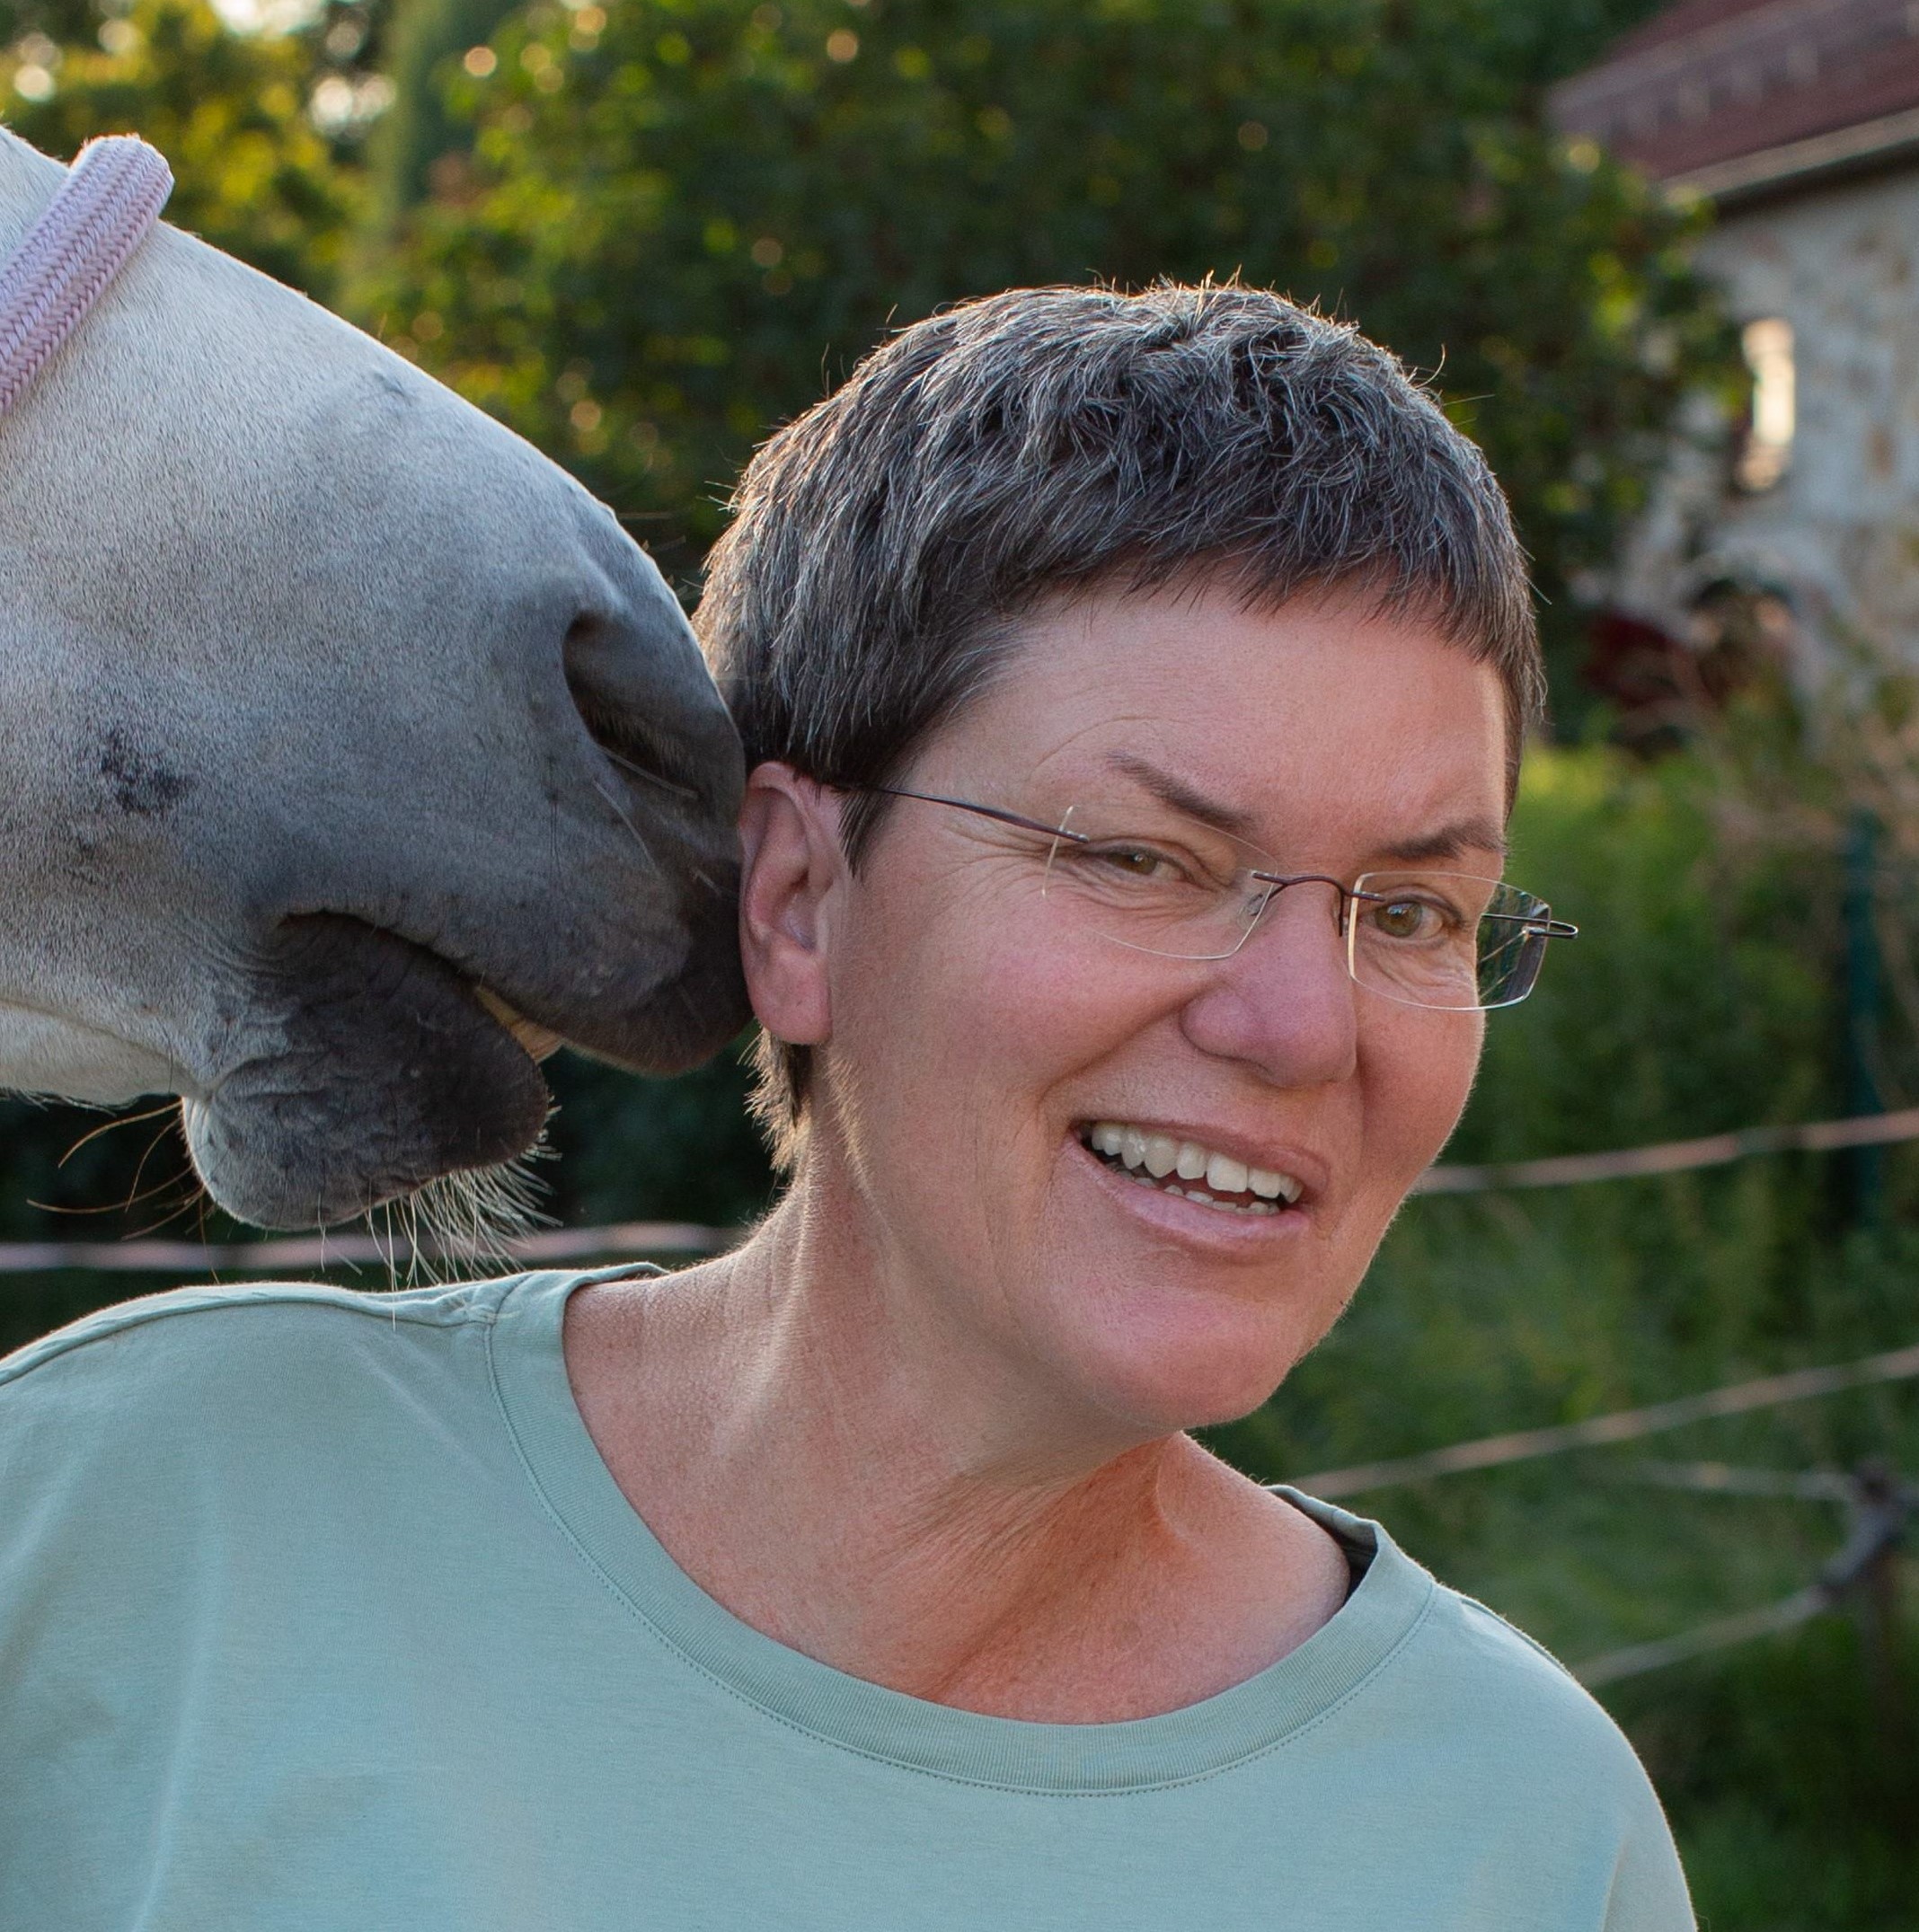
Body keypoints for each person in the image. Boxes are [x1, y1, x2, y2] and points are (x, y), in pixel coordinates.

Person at [0, 281, 1690, 1929]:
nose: (1307, 1028)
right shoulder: (119, 1524)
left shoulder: (1526, 1838)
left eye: (1415, 911)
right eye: (1142, 859)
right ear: (799, 900)